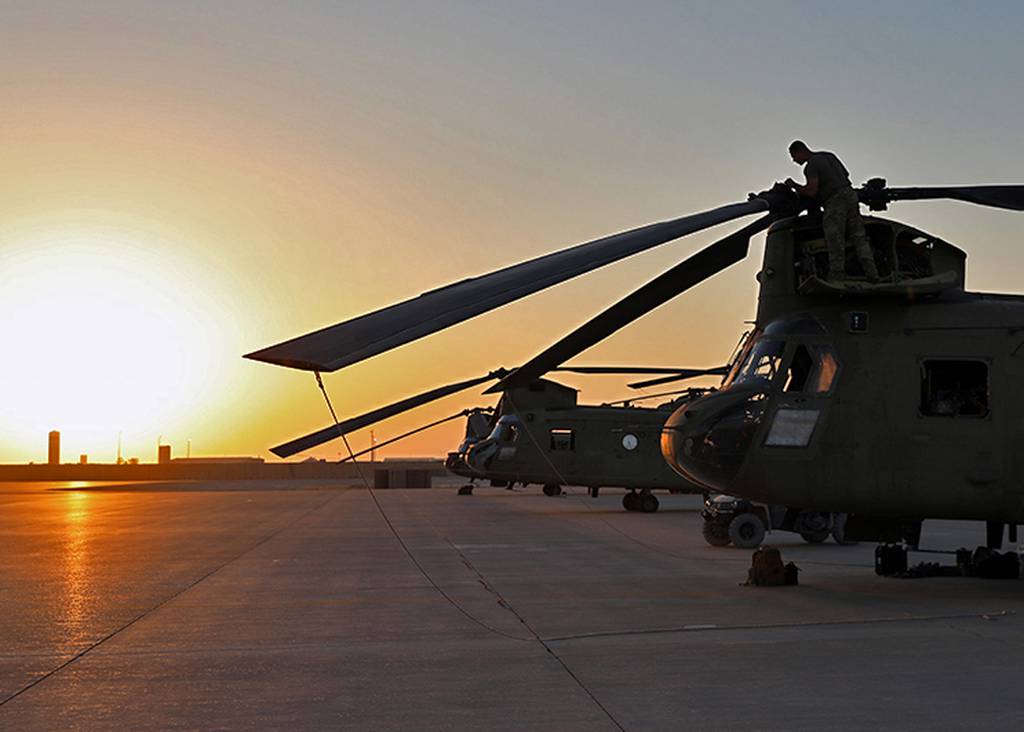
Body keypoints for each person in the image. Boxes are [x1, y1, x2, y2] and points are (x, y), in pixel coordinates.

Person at [785, 140, 878, 282]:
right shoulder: (829, 156)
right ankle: (872, 274)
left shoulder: (811, 166)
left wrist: (794, 185)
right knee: (859, 237)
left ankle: (837, 276)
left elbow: (811, 191)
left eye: (794, 156)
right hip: (850, 195)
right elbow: (846, 175)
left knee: (835, 238)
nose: (794, 160)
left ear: (800, 151)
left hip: (834, 201)